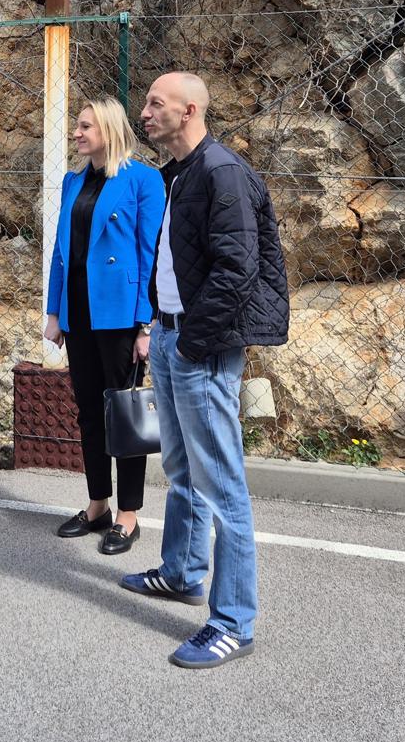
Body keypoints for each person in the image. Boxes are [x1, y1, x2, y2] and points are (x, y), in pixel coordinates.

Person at [119, 72, 289, 668]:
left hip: (202, 345)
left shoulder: (222, 172)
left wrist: (192, 342)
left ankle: (233, 622)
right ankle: (181, 572)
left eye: (155, 103)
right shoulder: (179, 173)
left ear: (189, 110)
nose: (144, 112)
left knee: (221, 485)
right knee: (182, 467)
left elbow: (237, 269)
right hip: (171, 336)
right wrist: (159, 330)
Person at [43, 98, 165, 555]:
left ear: (108, 130)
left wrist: (145, 325)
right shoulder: (73, 181)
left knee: (125, 415)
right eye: (77, 126)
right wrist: (54, 312)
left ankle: (129, 515)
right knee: (90, 413)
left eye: (84, 126)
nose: (76, 133)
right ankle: (98, 505)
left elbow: (151, 255)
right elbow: (62, 252)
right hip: (79, 312)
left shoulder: (143, 180)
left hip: (121, 315)